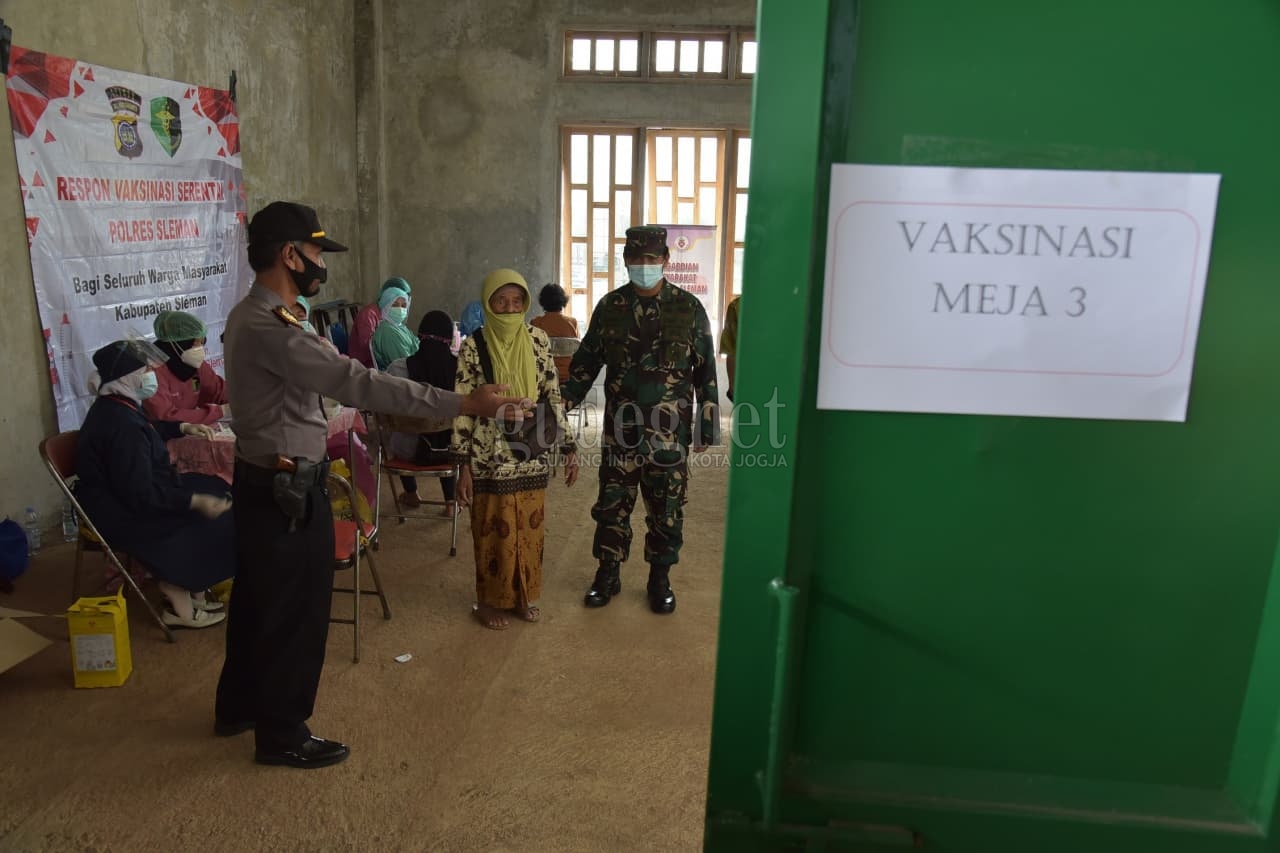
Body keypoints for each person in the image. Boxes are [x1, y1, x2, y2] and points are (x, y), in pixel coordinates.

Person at [214, 201, 528, 769]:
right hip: (287, 492)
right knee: (297, 611)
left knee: (258, 602)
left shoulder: (248, 316)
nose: (318, 265)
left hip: (261, 482)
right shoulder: (275, 329)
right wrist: (464, 402)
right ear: (290, 254)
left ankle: (237, 706)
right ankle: (283, 732)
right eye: (313, 253)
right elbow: (360, 383)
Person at [561, 226, 720, 615]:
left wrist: (708, 424)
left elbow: (706, 372)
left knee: (666, 507)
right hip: (621, 432)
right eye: (636, 259)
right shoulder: (610, 308)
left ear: (666, 260)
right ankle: (608, 572)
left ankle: (660, 578)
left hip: (670, 435)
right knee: (613, 504)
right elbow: (585, 364)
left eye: (651, 259)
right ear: (626, 261)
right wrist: (558, 404)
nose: (644, 265)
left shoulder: (688, 309)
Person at [76, 339, 234, 629]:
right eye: (146, 370)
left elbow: (147, 428)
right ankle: (177, 591)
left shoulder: (116, 405)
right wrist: (192, 501)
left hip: (127, 492)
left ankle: (193, 586)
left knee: (217, 490)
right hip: (119, 511)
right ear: (128, 377)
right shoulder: (120, 425)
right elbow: (140, 493)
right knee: (212, 512)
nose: (151, 375)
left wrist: (181, 427)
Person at [453, 269, 579, 630]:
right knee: (492, 528)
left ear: (526, 303)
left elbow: (552, 394)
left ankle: (523, 595)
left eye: (516, 301)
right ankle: (488, 602)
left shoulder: (539, 339)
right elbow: (463, 406)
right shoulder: (473, 345)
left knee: (530, 527)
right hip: (488, 455)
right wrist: (462, 466)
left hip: (530, 449)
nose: (509, 308)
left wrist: (569, 446)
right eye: (501, 301)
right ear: (488, 304)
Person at [387, 310, 459, 515]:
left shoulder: (397, 369)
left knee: (400, 431)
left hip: (407, 451)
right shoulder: (461, 370)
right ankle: (450, 502)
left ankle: (411, 493)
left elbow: (383, 407)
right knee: (447, 432)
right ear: (449, 340)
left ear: (419, 337)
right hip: (450, 452)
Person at [144, 310, 228, 425]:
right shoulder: (151, 370)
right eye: (195, 343)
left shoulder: (193, 364)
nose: (200, 348)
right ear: (179, 344)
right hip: (161, 437)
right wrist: (221, 411)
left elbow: (218, 391)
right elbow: (165, 416)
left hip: (189, 432)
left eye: (202, 342)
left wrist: (247, 400)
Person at [348, 277, 412, 368]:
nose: (400, 308)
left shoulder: (389, 315)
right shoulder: (368, 314)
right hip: (365, 365)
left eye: (404, 303)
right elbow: (367, 347)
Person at [530, 283, 580, 384]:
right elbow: (577, 349)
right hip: (568, 376)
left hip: (543, 376)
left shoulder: (535, 323)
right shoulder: (572, 322)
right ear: (563, 301)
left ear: (543, 302)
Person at [371, 282, 418, 370]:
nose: (400, 309)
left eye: (404, 305)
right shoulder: (388, 331)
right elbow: (405, 364)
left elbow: (416, 342)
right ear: (385, 306)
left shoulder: (400, 326)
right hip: (400, 377)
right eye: (395, 305)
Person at [720, 294, 741, 402]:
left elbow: (731, 352)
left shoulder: (738, 306)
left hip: (748, 384)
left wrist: (732, 388)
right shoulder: (790, 302)